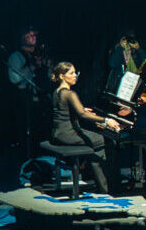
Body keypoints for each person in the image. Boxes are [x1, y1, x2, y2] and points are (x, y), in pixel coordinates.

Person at [47, 63, 122, 196]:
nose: (75, 75)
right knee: (101, 140)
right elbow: (82, 114)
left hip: (57, 133)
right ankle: (105, 187)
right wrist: (106, 120)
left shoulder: (57, 91)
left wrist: (81, 110)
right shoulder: (70, 94)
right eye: (71, 73)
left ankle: (101, 184)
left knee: (95, 142)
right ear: (62, 76)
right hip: (67, 134)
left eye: (75, 72)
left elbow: (65, 111)